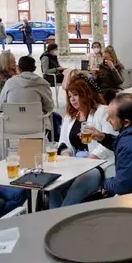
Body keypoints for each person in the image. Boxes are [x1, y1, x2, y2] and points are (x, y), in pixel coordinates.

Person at [50, 78, 115, 208]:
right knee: (53, 185)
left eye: (76, 95)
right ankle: (54, 216)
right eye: (70, 96)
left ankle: (59, 218)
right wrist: (67, 154)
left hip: (98, 164)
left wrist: (88, 161)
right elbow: (63, 142)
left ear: (86, 94)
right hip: (75, 164)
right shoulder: (70, 116)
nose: (72, 99)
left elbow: (110, 141)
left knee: (78, 186)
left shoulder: (102, 112)